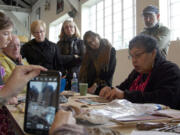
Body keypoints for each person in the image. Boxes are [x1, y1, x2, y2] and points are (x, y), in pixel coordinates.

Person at [100, 34, 180, 109]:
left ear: (153, 53)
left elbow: (165, 99)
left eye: (138, 55)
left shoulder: (169, 70)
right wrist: (110, 90)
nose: (134, 61)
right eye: (131, 56)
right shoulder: (137, 73)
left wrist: (125, 95)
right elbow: (122, 88)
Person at [0, 11, 47, 135]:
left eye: (18, 45)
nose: (10, 38)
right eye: (5, 33)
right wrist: (8, 92)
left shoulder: (21, 61)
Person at [79, 31, 116, 95]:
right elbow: (85, 73)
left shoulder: (109, 50)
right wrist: (86, 87)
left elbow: (109, 73)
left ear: (98, 37)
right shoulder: (88, 55)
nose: (93, 43)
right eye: (90, 43)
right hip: (89, 89)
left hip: (103, 87)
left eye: (93, 39)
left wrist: (95, 86)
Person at [57, 20, 85, 90]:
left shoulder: (81, 42)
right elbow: (59, 59)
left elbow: (83, 59)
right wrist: (73, 57)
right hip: (64, 75)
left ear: (75, 28)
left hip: (78, 75)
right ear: (63, 30)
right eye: (66, 27)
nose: (69, 29)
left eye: (71, 27)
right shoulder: (59, 44)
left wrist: (66, 59)